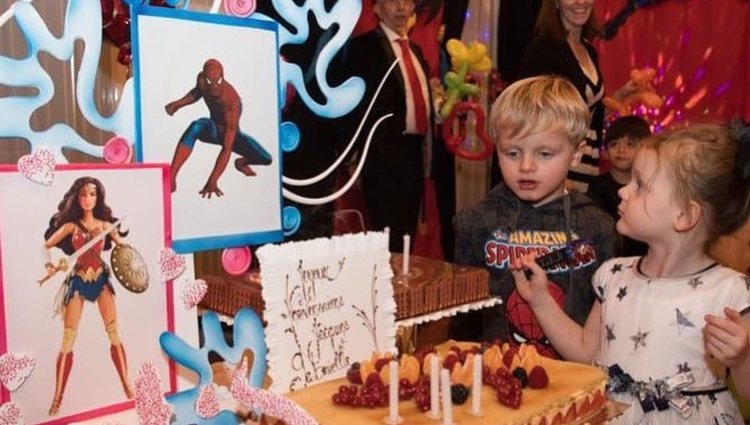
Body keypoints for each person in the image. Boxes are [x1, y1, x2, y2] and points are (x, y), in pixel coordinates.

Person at [510, 122, 750, 423]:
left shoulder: (730, 292)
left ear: (685, 215)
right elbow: (586, 352)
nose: (623, 191)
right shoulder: (613, 276)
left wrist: (741, 360)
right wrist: (540, 300)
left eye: (640, 185)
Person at [451, 76, 615, 355]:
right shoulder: (476, 222)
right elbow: (463, 319)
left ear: (576, 154)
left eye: (544, 154)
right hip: (496, 376)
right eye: (513, 152)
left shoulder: (597, 227)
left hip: (572, 379)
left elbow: (605, 325)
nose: (526, 166)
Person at [335, 0, 432, 253]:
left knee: (408, 231)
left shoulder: (416, 51)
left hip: (413, 152)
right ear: (377, 8)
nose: (401, 8)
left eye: (407, 1)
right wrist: (353, 157)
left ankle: (402, 284)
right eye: (392, 1)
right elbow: (350, 105)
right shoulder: (362, 48)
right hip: (381, 153)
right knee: (386, 233)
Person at [39, 177, 133, 416]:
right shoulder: (71, 227)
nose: (88, 199)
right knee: (68, 340)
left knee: (114, 333)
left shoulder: (104, 226)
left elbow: (123, 249)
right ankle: (57, 398)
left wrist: (131, 259)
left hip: (100, 279)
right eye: (83, 194)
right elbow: (46, 246)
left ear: (98, 197)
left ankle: (127, 387)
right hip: (79, 280)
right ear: (76, 198)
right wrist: (49, 267)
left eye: (92, 194)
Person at [519, 0, 635, 192]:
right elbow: (530, 117)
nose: (580, 2)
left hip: (585, 163)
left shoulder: (588, 50)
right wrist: (556, 175)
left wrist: (620, 96)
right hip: (558, 167)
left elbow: (588, 116)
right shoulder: (542, 49)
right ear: (555, 3)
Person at [165, 58, 273, 198]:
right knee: (196, 126)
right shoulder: (202, 81)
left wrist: (213, 180)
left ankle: (241, 163)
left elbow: (227, 148)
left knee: (266, 158)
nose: (214, 87)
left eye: (218, 82)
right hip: (213, 131)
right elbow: (197, 93)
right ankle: (171, 176)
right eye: (210, 82)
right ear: (204, 78)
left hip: (232, 136)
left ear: (223, 78)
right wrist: (177, 104)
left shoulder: (232, 103)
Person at [587, 115, 651, 256]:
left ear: (646, 148)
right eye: (614, 144)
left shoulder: (649, 187)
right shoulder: (597, 186)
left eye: (630, 144)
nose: (621, 150)